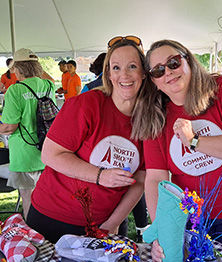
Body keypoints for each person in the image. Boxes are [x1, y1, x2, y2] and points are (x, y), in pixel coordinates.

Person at [131, 39, 222, 261]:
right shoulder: (155, 115)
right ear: (153, 81)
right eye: (158, 70)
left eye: (173, 63)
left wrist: (195, 141)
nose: (167, 72)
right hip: (194, 217)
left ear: (188, 61)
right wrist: (161, 229)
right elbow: (155, 178)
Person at [26, 36, 146, 244]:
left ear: (144, 73)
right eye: (116, 67)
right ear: (108, 73)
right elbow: (50, 154)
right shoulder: (87, 105)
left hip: (108, 222)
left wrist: (112, 223)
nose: (124, 75)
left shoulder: (150, 117)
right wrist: (100, 176)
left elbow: (141, 178)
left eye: (132, 66)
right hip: (53, 218)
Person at [0, 48, 56, 219]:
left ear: (17, 68)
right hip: (48, 151)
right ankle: (50, 232)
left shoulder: (15, 90)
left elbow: (9, 127)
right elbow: (50, 78)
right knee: (48, 197)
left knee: (28, 198)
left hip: (24, 153)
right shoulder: (48, 86)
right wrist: (35, 67)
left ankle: (35, 234)